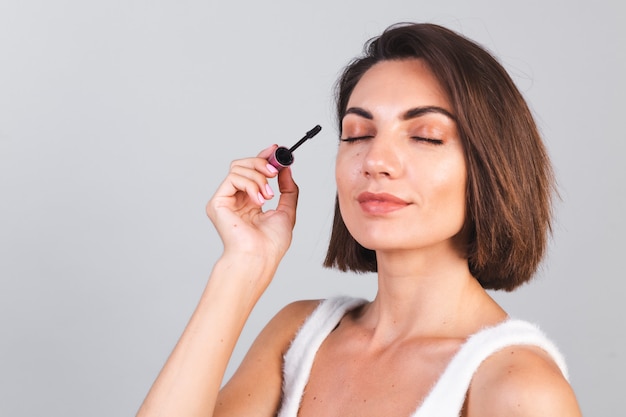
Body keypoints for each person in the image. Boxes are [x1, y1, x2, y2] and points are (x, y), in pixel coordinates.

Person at [137, 22, 582, 416]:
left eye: (426, 137)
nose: (375, 160)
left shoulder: (518, 387)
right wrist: (241, 267)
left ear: (492, 166)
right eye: (358, 134)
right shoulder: (299, 336)